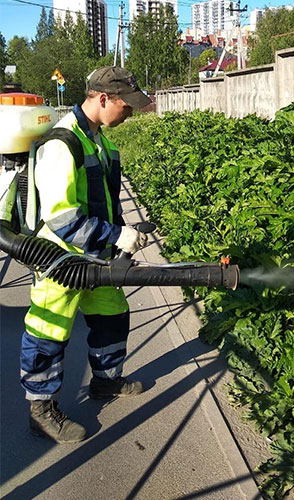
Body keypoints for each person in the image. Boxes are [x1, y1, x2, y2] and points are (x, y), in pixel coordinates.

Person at [20, 66, 152, 444]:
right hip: (59, 261)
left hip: (97, 257)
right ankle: (41, 411)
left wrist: (125, 235)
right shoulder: (62, 145)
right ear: (103, 98)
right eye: (125, 105)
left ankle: (106, 382)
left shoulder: (103, 143)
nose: (129, 112)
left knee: (112, 315)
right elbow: (62, 218)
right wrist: (115, 235)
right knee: (47, 332)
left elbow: (106, 203)